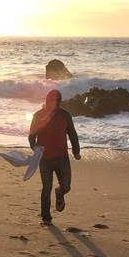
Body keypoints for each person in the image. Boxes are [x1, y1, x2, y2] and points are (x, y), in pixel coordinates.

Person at [28, 89, 81, 224]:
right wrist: (35, 148)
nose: (54, 102)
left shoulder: (65, 115)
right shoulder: (38, 115)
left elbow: (72, 134)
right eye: (51, 99)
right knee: (46, 187)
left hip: (62, 156)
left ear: (59, 101)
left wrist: (76, 151)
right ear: (47, 100)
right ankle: (46, 217)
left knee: (66, 186)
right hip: (44, 158)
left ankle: (60, 193)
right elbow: (31, 136)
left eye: (57, 100)